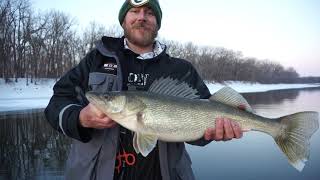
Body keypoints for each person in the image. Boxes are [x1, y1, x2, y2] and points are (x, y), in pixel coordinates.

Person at [45, 0, 244, 179]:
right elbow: (56, 105)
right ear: (124, 20)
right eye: (134, 11)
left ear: (157, 22)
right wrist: (80, 118)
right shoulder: (96, 60)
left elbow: (201, 126)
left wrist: (214, 132)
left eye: (149, 12)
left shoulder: (181, 69)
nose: (141, 17)